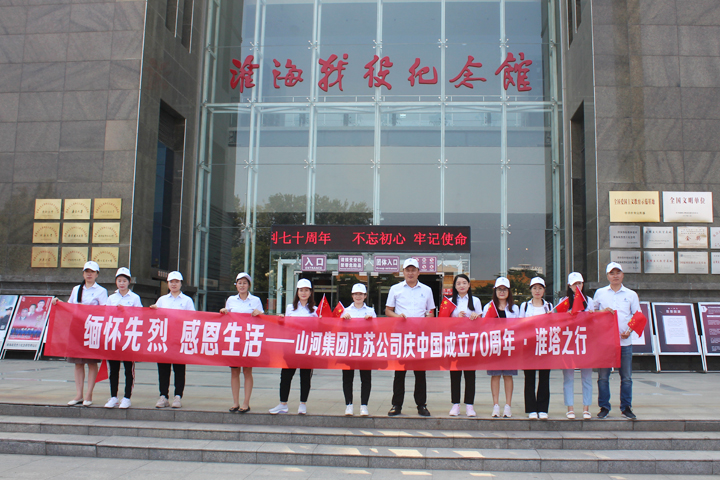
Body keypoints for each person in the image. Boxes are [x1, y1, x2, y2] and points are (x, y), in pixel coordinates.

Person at [52, 261, 108, 407]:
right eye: (87, 271)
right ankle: (79, 394)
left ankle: (89, 394)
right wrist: (59, 302)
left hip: (92, 328)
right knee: (78, 362)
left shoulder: (101, 291)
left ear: (97, 274)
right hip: (77, 328)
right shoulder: (77, 289)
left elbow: (104, 310)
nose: (89, 274)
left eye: (92, 272)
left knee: (91, 362)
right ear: (83, 273)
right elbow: (69, 306)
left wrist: (86, 309)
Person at [386, 258, 436, 417]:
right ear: (403, 272)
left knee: (420, 372)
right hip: (402, 336)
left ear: (418, 272)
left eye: (413, 270)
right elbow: (388, 310)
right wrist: (398, 317)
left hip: (420, 337)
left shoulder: (427, 290)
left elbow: (431, 312)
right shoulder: (395, 289)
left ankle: (421, 405)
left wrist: (425, 321)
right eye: (407, 270)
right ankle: (396, 404)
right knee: (399, 372)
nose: (410, 273)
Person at [594, 262, 640, 420]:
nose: (615, 276)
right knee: (603, 377)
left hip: (625, 342)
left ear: (623, 275)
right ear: (607, 276)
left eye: (618, 272)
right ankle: (604, 407)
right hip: (605, 343)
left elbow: (637, 315)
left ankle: (626, 407)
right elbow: (592, 313)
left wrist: (629, 331)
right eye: (612, 273)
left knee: (626, 377)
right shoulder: (600, 293)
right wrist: (602, 311)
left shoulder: (631, 294)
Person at [269, 278, 317, 415]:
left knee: (305, 376)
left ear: (310, 292)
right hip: (291, 347)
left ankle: (303, 404)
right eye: (301, 290)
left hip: (307, 347)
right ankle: (283, 404)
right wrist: (281, 319)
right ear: (297, 292)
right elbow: (286, 326)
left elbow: (319, 327)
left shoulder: (315, 310)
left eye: (306, 290)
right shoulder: (290, 308)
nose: (303, 293)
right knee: (286, 376)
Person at [150, 271, 195, 409]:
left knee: (179, 369)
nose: (174, 284)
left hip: (179, 340)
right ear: (167, 283)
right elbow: (155, 319)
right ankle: (163, 395)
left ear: (181, 283)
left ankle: (178, 396)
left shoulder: (187, 300)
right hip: (164, 339)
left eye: (176, 281)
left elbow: (193, 318)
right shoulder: (162, 300)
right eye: (171, 282)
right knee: (163, 369)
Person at [221, 272, 263, 413]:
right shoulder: (231, 300)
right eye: (239, 283)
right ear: (236, 285)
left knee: (247, 371)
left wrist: (259, 314)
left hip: (249, 340)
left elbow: (263, 320)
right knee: (234, 371)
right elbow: (226, 318)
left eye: (245, 283)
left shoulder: (256, 300)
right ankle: (235, 402)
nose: (242, 285)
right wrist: (224, 312)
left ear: (249, 285)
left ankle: (246, 403)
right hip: (234, 340)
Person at [104, 267, 143, 409]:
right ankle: (113, 397)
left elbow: (140, 315)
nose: (121, 283)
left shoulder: (134, 298)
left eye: (124, 281)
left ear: (129, 282)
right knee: (113, 369)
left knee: (128, 369)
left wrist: (125, 312)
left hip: (128, 337)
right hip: (114, 336)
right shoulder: (111, 298)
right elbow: (105, 315)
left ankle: (127, 397)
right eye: (119, 280)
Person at [560, 272, 595, 420]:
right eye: (574, 284)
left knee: (587, 377)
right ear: (569, 286)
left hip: (585, 343)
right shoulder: (563, 301)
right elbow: (558, 323)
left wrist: (592, 315)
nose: (577, 286)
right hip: (569, 343)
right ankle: (570, 408)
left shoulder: (589, 301)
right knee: (568, 377)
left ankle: (586, 408)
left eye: (579, 283)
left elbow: (594, 322)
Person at [483, 276, 519, 418]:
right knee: (495, 375)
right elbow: (484, 326)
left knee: (508, 376)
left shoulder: (514, 308)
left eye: (504, 289)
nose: (502, 292)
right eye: (499, 289)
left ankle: (508, 406)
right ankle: (496, 405)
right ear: (495, 291)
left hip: (509, 346)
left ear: (509, 291)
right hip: (495, 346)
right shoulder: (488, 307)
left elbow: (520, 327)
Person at [519, 277, 553, 419]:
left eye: (540, 288)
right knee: (529, 377)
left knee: (544, 377)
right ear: (530, 290)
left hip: (545, 345)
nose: (537, 291)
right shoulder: (525, 306)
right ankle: (531, 409)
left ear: (544, 290)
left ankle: (543, 409)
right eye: (534, 288)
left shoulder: (549, 306)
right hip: (529, 346)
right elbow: (519, 325)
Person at [448, 274, 481, 417]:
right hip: (455, 342)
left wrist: (476, 317)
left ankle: (469, 405)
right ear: (455, 286)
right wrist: (456, 318)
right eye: (458, 283)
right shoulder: (450, 302)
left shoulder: (476, 301)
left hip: (470, 343)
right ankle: (455, 404)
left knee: (470, 374)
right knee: (455, 374)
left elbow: (482, 320)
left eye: (464, 283)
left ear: (469, 285)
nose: (461, 285)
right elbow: (443, 322)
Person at [340, 283, 376, 416]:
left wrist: (371, 321)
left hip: (365, 348)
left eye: (361, 294)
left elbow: (376, 330)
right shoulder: (345, 311)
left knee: (365, 378)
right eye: (356, 294)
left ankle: (364, 406)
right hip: (349, 348)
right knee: (347, 378)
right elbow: (338, 330)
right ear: (352, 295)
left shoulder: (370, 311)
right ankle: (348, 405)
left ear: (365, 296)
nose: (358, 296)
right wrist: (343, 320)